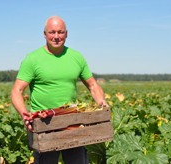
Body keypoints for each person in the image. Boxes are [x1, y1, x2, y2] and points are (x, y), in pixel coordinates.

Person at [11, 16, 108, 164]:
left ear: (67, 34)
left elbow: (93, 85)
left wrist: (101, 102)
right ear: (44, 34)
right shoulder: (32, 59)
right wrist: (24, 113)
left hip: (73, 123)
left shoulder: (76, 57)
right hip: (44, 125)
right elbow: (17, 90)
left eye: (60, 32)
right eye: (52, 32)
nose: (56, 37)